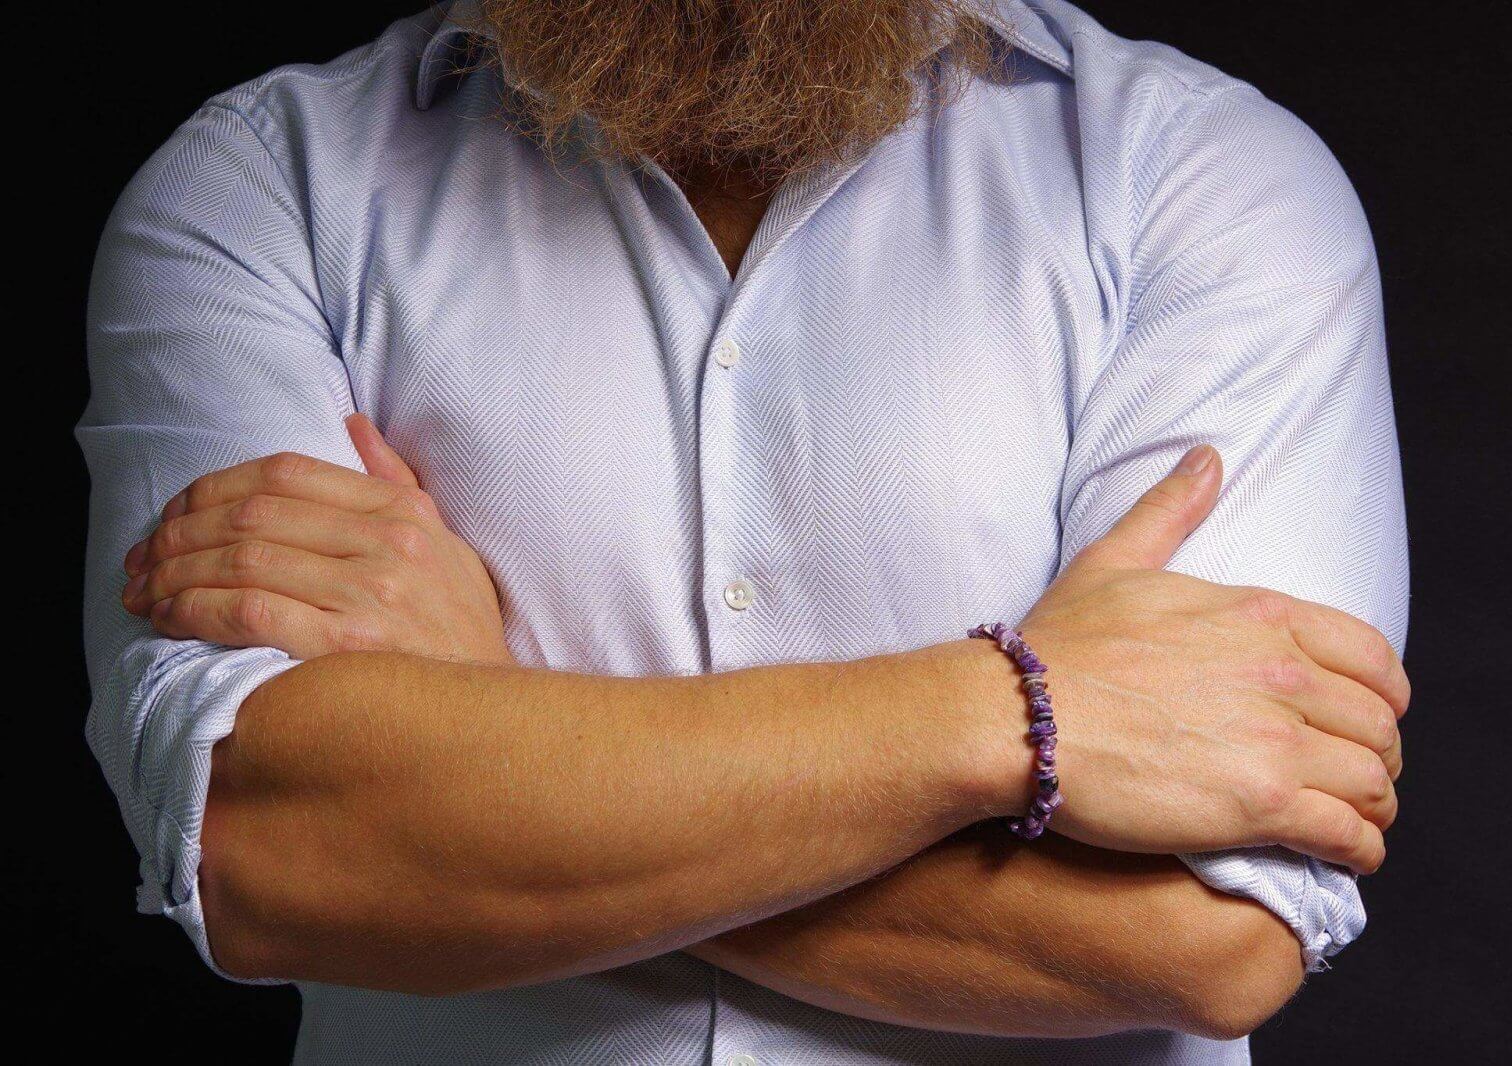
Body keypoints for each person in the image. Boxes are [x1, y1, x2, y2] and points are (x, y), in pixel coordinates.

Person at [78, 1, 1409, 1061]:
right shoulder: (263, 189)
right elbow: (271, 854)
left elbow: (1210, 941)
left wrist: (491, 759)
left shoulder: (1204, 182)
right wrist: (1011, 712)